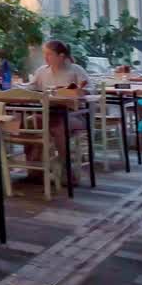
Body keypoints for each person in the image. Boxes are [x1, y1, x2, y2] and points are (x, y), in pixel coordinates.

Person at [23, 40, 90, 181]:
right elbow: (31, 87)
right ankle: (34, 167)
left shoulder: (75, 70)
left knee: (58, 127)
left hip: (74, 114)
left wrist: (77, 91)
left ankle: (66, 168)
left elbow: (90, 91)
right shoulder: (42, 71)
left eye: (49, 54)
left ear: (61, 56)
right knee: (27, 123)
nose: (46, 58)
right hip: (48, 113)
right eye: (44, 54)